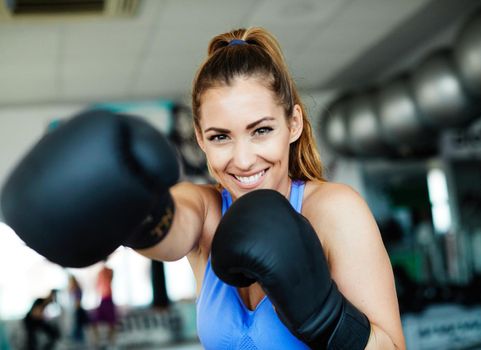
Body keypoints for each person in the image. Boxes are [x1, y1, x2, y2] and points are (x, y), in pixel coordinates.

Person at [1, 27, 405, 349]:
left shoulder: (336, 210)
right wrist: (128, 211)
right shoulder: (207, 209)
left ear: (293, 124)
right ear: (199, 137)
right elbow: (174, 222)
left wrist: (327, 319)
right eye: (220, 137)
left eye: (261, 130)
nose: (243, 160)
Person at [91, 262, 117, 347]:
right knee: (95, 322)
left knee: (112, 323)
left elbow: (111, 276)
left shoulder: (109, 271)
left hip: (108, 299)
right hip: (103, 299)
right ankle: (98, 342)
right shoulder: (100, 273)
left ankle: (111, 343)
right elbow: (97, 287)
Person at [67, 275, 88, 343]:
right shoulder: (74, 290)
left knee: (78, 330)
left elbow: (77, 303)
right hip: (75, 311)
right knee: (77, 330)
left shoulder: (77, 290)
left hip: (77, 311)